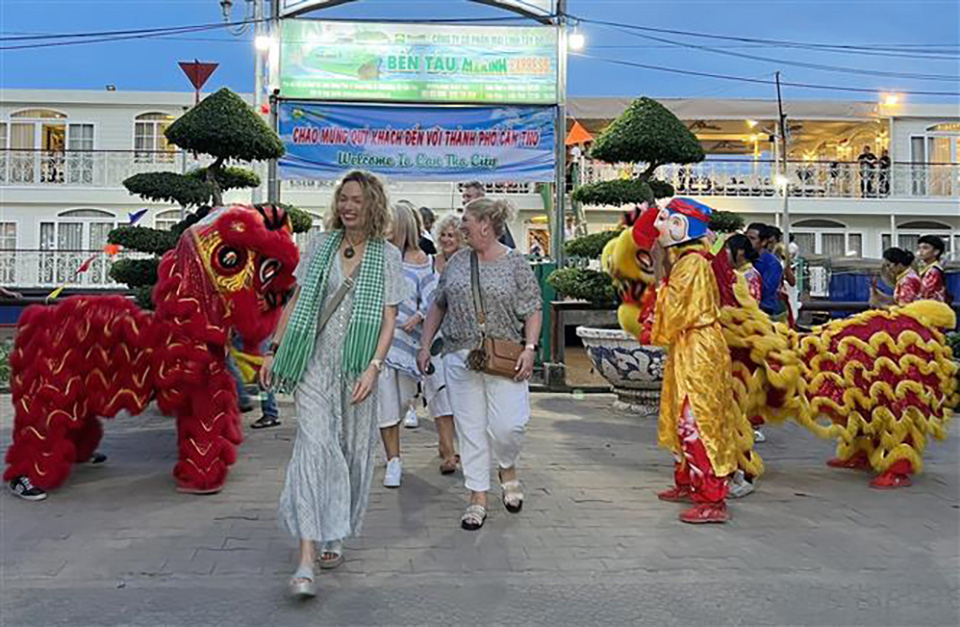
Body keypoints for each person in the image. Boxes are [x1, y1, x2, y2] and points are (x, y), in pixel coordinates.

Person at [261, 170, 408, 598]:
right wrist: (274, 348)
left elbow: (389, 319)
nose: (347, 206)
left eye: (356, 200)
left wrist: (374, 367)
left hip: (358, 369)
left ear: (372, 205)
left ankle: (335, 531)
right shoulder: (321, 246)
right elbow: (296, 299)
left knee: (351, 455)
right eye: (343, 198)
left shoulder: (387, 257)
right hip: (312, 363)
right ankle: (306, 556)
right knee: (315, 447)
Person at [417, 197, 542, 531]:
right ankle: (477, 496)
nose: (461, 227)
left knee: (509, 425)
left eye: (467, 220)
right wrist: (426, 345)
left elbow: (533, 308)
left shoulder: (516, 263)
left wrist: (529, 348)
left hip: (504, 356)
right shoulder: (457, 262)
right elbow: (438, 305)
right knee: (471, 428)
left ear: (486, 224)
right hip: (460, 355)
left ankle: (507, 465)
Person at [650, 198, 746, 524]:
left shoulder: (691, 264)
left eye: (665, 220)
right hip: (691, 346)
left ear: (680, 227)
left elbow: (675, 310)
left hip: (699, 349)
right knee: (682, 416)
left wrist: (657, 285)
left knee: (698, 421)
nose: (658, 227)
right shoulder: (692, 260)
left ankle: (712, 499)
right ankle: (689, 482)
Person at [377, 201, 437, 487]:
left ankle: (391, 444)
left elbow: (433, 297)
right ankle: (393, 460)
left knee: (402, 399)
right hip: (379, 343)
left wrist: (419, 315)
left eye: (391, 224)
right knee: (386, 402)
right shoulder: (377, 257)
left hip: (410, 345)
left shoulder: (422, 260)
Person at [427, 213, 465, 474]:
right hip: (433, 339)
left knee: (461, 395)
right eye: (443, 234)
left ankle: (459, 447)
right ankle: (448, 451)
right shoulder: (429, 263)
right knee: (438, 393)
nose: (447, 239)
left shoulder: (468, 263)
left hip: (462, 337)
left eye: (452, 235)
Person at [746, 223, 786, 321]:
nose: (747, 242)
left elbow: (766, 289)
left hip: (764, 310)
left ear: (763, 242)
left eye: (752, 238)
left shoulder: (772, 263)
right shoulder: (742, 259)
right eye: (746, 238)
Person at [459, 181, 517, 249]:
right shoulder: (463, 221)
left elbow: (508, 246)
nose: (465, 200)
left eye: (468, 196)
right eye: (463, 196)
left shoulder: (494, 218)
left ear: (481, 197)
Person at [917, 234, 948, 302]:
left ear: (936, 251)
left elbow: (925, 294)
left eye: (925, 248)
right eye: (919, 248)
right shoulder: (927, 269)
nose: (921, 251)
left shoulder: (933, 271)